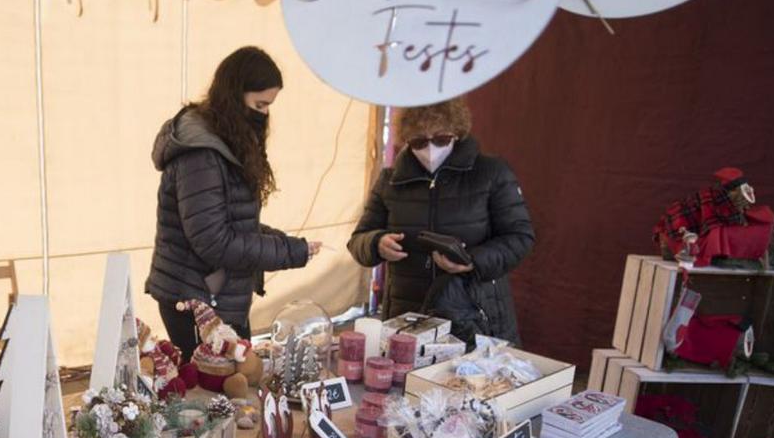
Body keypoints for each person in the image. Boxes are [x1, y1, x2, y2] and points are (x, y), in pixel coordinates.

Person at [146, 46, 320, 360]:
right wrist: (288, 252)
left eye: (269, 105)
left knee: (235, 388)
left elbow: (233, 222)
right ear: (234, 95)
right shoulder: (202, 154)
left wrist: (282, 240)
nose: (265, 114)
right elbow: (213, 240)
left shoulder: (224, 140)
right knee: (214, 393)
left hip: (218, 294)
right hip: (195, 300)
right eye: (260, 104)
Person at [347, 98, 534, 344]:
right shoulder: (389, 181)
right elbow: (358, 240)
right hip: (407, 317)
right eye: (419, 141)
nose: (431, 149)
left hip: (475, 313)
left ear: (457, 133)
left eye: (441, 139)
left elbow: (520, 237)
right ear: (406, 140)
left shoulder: (491, 173)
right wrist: (376, 243)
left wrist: (472, 262)